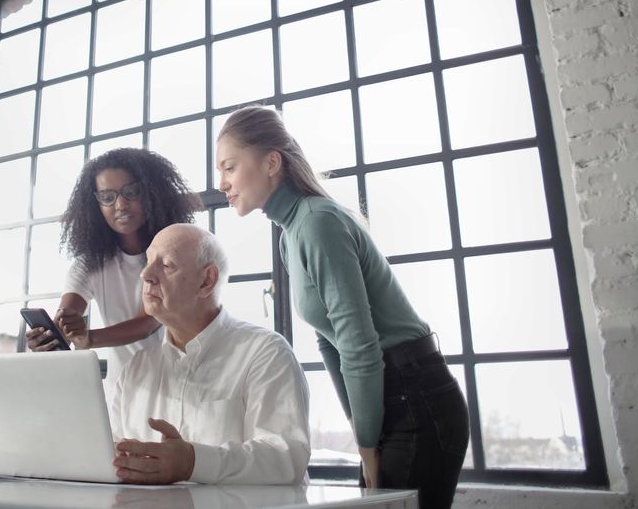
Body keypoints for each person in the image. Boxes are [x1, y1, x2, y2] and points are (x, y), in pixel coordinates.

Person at [215, 106, 469, 508]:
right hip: (389, 400)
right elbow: (328, 340)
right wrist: (359, 426)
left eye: (229, 167)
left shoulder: (317, 222)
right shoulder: (289, 234)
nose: (222, 183)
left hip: (416, 397)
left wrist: (366, 443)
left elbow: (358, 343)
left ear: (271, 162)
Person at [111, 223, 311, 485]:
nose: (146, 274)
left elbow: (285, 458)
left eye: (167, 265)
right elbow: (111, 450)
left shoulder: (266, 353)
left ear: (207, 281)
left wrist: (194, 462)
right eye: (148, 261)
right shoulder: (136, 368)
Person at [26, 148, 199, 388]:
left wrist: (89, 339)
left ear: (150, 193)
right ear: (95, 204)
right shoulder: (88, 265)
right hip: (121, 392)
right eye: (107, 197)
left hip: (178, 384)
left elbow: (150, 320)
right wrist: (50, 337)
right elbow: (68, 316)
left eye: (131, 192)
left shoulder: (173, 255)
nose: (120, 205)